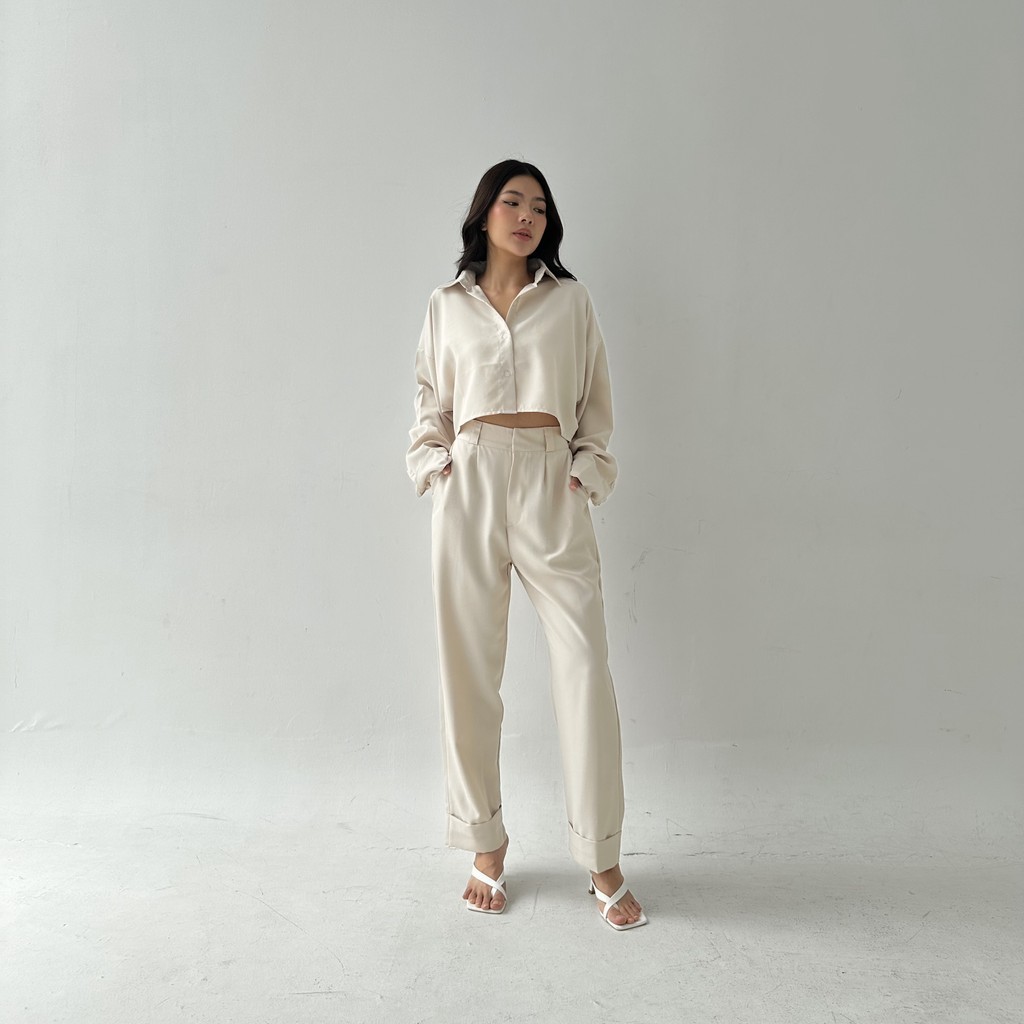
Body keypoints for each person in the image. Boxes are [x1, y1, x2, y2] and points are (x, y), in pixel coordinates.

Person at [406, 159, 646, 931]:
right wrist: (435, 466)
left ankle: (601, 855)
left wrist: (585, 472)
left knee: (584, 669)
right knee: (468, 673)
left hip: (551, 483)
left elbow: (595, 401)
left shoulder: (571, 301)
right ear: (484, 214)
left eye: (539, 207)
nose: (526, 216)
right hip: (470, 481)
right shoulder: (447, 305)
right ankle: (486, 843)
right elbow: (429, 400)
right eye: (512, 202)